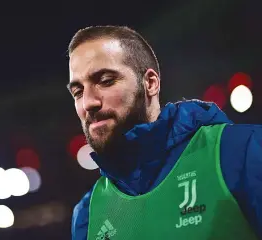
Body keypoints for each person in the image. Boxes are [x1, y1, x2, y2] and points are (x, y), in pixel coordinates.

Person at [66, 25, 262, 240]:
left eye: (105, 81)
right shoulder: (87, 215)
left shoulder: (242, 152)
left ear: (150, 83)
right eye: (78, 91)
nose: (88, 102)